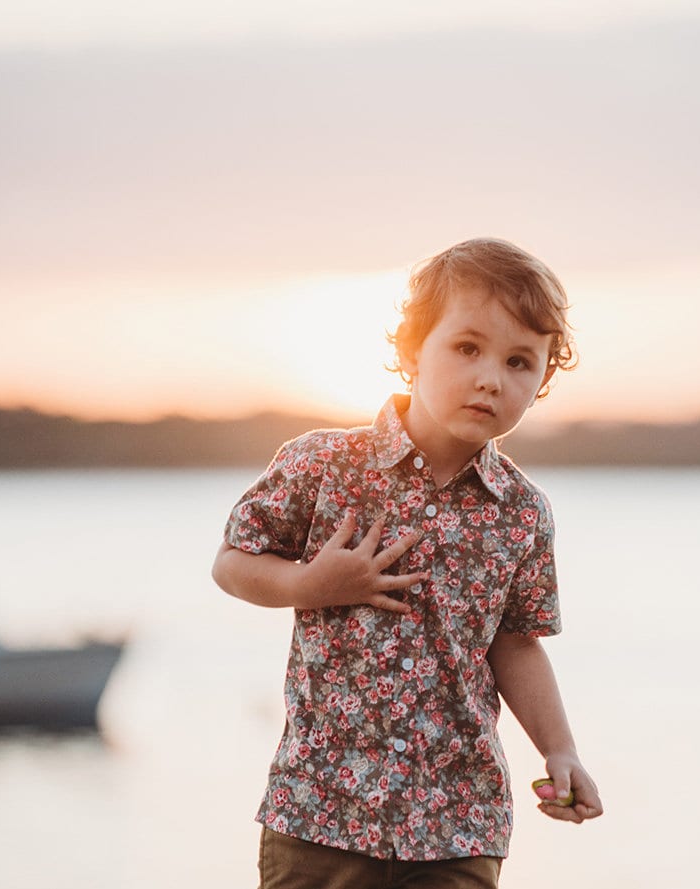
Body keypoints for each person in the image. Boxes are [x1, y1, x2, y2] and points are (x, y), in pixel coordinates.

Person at [212, 237, 603, 888]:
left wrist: (560, 748)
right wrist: (310, 582)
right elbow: (233, 560)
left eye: (519, 362)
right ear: (412, 349)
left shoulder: (521, 512)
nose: (490, 378)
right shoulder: (323, 465)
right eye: (468, 347)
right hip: (319, 813)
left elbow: (518, 641)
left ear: (540, 384)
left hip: (457, 821)